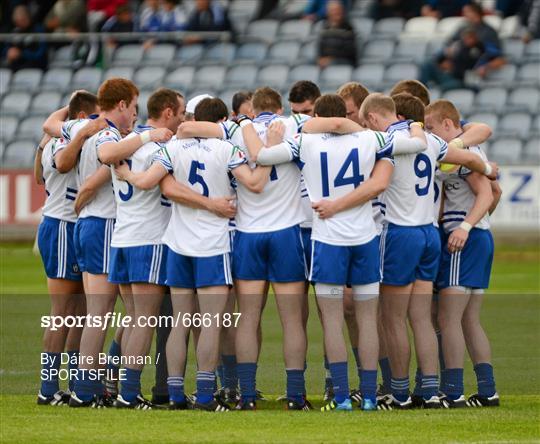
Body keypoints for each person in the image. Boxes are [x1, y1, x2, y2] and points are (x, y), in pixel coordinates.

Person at [256, 94, 430, 411]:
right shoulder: (370, 137)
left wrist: (263, 135)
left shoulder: (302, 141)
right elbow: (417, 145)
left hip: (328, 239)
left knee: (333, 322)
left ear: (318, 116)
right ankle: (367, 397)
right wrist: (417, 126)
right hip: (364, 237)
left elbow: (264, 157)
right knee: (366, 321)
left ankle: (340, 396)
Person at [115, 97, 270, 411]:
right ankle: (203, 396)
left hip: (177, 242)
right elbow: (254, 183)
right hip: (212, 244)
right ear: (220, 120)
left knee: (180, 322)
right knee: (211, 322)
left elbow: (148, 182)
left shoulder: (172, 148)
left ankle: (174, 395)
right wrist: (269, 156)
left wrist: (127, 176)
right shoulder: (226, 149)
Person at [359, 93, 497, 409]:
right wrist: (488, 167)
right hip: (429, 233)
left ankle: (400, 393)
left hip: (400, 233)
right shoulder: (431, 141)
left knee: (393, 318)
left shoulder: (384, 139)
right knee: (421, 317)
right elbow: (470, 160)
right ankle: (432, 392)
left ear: (376, 118)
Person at [103, 88, 184, 409]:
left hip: (122, 237)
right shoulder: (162, 144)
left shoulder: (126, 142)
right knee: (145, 320)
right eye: (179, 114)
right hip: (149, 239)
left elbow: (107, 157)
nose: (181, 120)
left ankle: (111, 376)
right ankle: (129, 391)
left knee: (133, 316)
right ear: (167, 112)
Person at [425, 99, 499, 408]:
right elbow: (495, 192)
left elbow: (485, 192)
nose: (429, 133)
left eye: (431, 128)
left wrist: (466, 226)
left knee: (449, 317)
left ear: (446, 124)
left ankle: (452, 391)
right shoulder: (463, 149)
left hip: (463, 239)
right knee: (469, 319)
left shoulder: (462, 155)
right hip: (477, 237)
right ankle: (487, 390)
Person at [35, 91, 105, 406]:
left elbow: (39, 176)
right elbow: (62, 165)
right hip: (62, 224)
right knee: (62, 312)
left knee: (80, 312)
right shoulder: (69, 138)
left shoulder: (57, 135)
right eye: (93, 116)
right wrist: (82, 131)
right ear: (82, 118)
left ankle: (76, 382)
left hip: (71, 225)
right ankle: (47, 387)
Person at [420, 26, 505, 90]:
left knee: (442, 87)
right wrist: (446, 58)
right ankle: (421, 91)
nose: (467, 40)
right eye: (465, 37)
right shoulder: (458, 46)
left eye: (470, 37)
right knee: (427, 64)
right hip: (450, 75)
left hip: (465, 80)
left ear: (475, 37)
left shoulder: (483, 47)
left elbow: (500, 60)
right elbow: (439, 59)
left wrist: (486, 67)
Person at [3, 4, 47, 71]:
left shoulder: (38, 30)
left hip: (35, 65)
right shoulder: (15, 30)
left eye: (22, 20)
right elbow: (7, 47)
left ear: (27, 17)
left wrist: (22, 54)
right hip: (16, 65)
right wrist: (8, 51)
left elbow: (41, 54)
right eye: (17, 21)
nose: (19, 23)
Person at [317, 0, 357, 67]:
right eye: (333, 11)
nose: (336, 13)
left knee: (330, 64)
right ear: (328, 12)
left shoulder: (348, 28)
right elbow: (321, 46)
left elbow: (349, 51)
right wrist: (321, 58)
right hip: (327, 60)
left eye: (338, 10)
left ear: (342, 11)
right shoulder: (324, 28)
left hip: (344, 61)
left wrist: (331, 58)